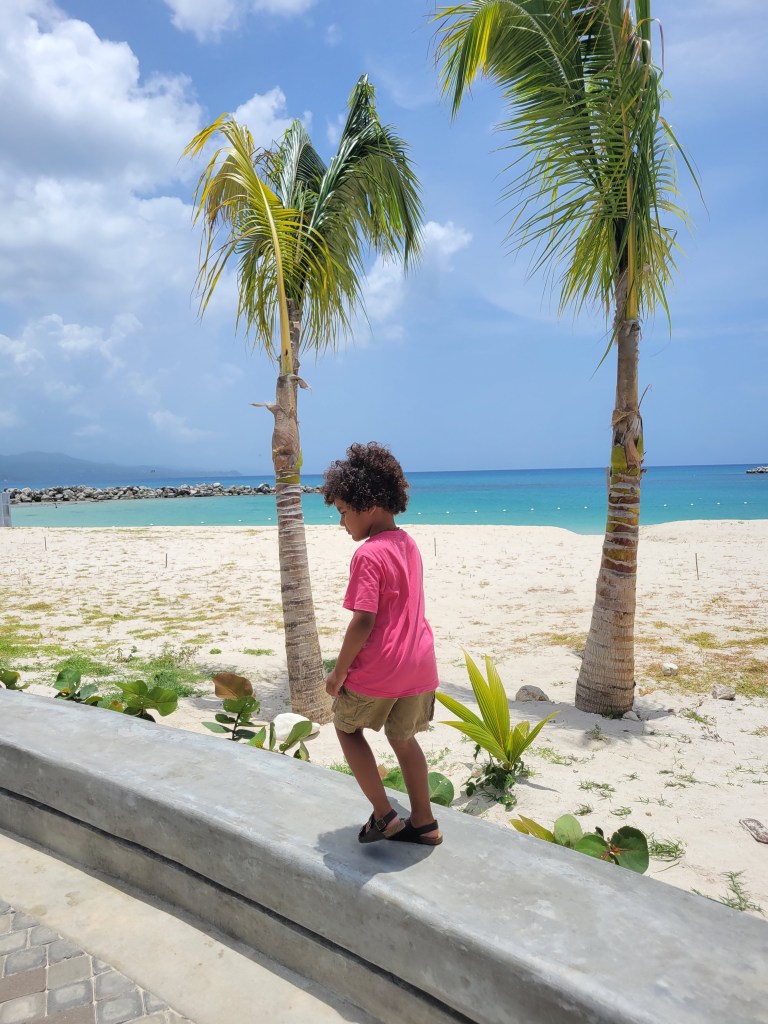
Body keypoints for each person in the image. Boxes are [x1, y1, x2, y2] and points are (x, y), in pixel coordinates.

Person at [321, 442, 443, 846]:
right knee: (403, 740)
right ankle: (424, 822)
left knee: (346, 729)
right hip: (419, 665)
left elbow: (364, 620)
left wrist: (338, 673)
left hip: (381, 667)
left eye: (343, 512)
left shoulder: (368, 555)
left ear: (368, 504)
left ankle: (384, 814)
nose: (341, 523)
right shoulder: (408, 544)